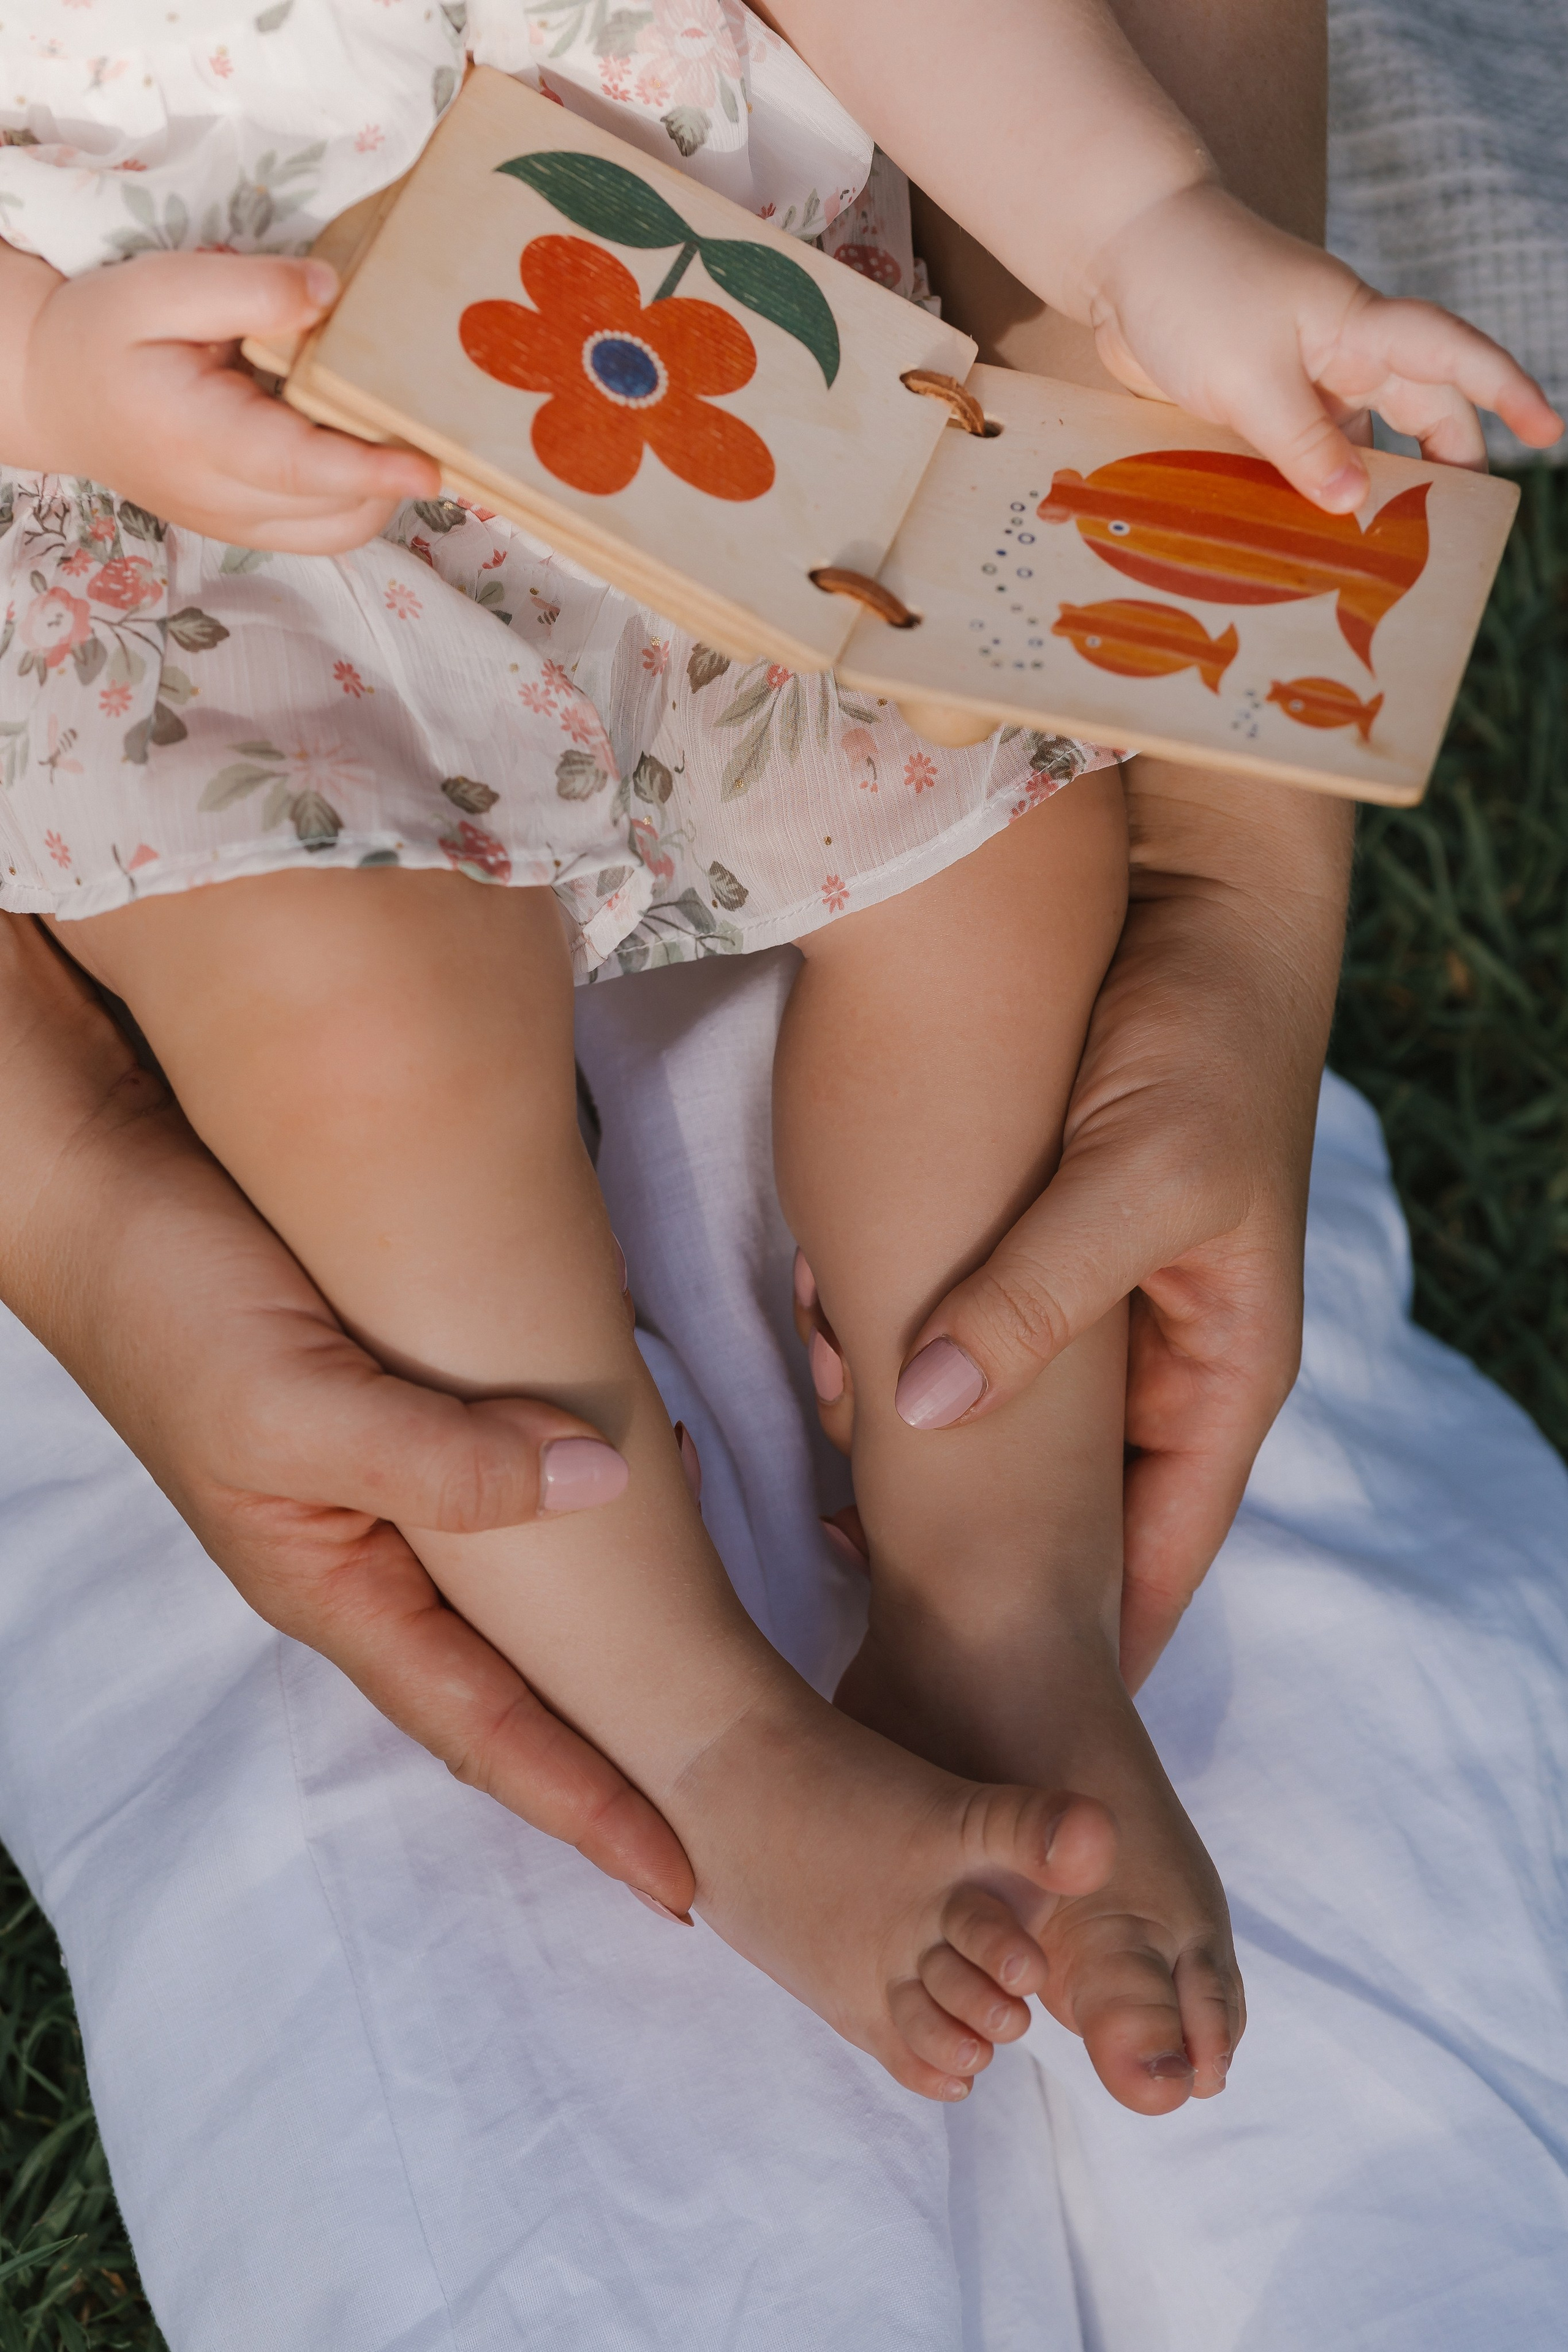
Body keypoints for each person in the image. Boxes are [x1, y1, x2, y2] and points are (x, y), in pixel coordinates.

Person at [1, 0, 1555, 2120]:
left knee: (998, 863)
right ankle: (709, 1735)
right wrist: (42, 370)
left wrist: (1147, 231)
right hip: (189, 506)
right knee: (361, 1050)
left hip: (700, 360)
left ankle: (1009, 1602)